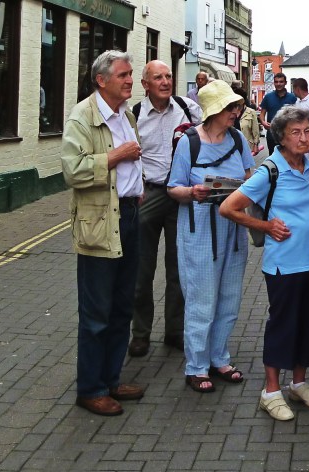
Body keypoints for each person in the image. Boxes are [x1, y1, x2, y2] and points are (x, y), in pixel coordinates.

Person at [220, 106, 309, 421]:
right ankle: (271, 391)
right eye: (296, 132)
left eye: (308, 131)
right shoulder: (270, 169)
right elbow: (229, 208)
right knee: (283, 325)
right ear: (280, 137)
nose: (304, 137)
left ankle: (298, 383)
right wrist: (268, 227)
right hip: (285, 265)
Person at [61, 50, 146, 416]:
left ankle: (111, 380)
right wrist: (116, 157)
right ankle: (90, 389)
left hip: (129, 216)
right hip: (99, 224)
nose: (130, 80)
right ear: (102, 80)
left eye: (130, 74)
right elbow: (72, 171)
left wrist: (135, 187)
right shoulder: (83, 116)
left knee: (122, 306)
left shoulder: (126, 114)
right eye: (124, 75)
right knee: (96, 312)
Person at [167, 80, 255, 393]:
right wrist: (193, 192)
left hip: (232, 229)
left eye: (236, 106)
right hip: (199, 228)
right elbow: (173, 187)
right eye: (230, 107)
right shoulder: (188, 142)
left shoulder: (238, 139)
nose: (236, 111)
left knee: (229, 298)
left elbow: (249, 178)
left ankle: (219, 358)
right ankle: (196, 367)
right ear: (213, 110)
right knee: (202, 301)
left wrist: (242, 192)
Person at [128, 60, 203, 357]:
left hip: (181, 194)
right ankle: (140, 334)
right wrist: (136, 188)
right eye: (157, 77)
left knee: (179, 269)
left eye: (168, 76)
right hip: (149, 194)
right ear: (145, 84)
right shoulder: (134, 115)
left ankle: (175, 331)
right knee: (141, 270)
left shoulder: (188, 110)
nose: (165, 81)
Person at [260, 72, 297, 155]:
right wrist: (263, 123)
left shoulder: (292, 98)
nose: (278, 84)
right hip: (272, 133)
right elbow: (262, 113)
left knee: (288, 156)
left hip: (288, 133)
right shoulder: (268, 97)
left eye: (281, 82)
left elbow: (296, 115)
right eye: (276, 82)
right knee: (273, 156)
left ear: (285, 83)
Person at [231, 81, 262, 154]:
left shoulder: (251, 112)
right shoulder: (230, 111)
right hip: (231, 145)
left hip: (246, 146)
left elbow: (255, 131)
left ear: (243, 100)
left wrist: (256, 145)